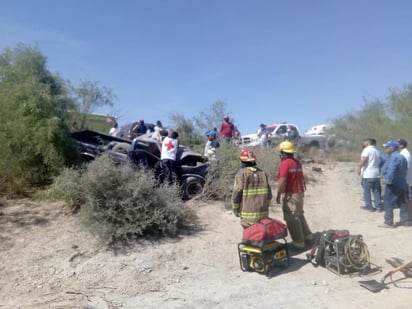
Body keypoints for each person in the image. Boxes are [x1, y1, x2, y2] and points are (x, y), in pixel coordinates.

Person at [276, 140, 313, 250]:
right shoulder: (297, 162)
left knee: (291, 217)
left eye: (280, 152)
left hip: (291, 194)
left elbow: (282, 180)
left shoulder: (285, 163)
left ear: (283, 152)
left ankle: (298, 243)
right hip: (300, 192)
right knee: (299, 214)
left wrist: (278, 194)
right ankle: (308, 237)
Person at [231, 149, 272, 228]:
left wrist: (235, 209)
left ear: (242, 161)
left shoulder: (241, 174)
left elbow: (236, 194)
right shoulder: (263, 173)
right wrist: (267, 205)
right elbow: (269, 194)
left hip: (248, 217)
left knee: (250, 236)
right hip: (263, 214)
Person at [379, 140, 409, 228]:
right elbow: (405, 169)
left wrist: (388, 181)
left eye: (387, 147)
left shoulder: (394, 157)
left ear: (392, 148)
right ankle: (405, 221)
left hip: (393, 183)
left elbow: (391, 170)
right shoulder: (402, 157)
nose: (385, 149)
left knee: (388, 202)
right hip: (402, 182)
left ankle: (388, 222)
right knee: (402, 202)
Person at [358, 138, 383, 212]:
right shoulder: (377, 150)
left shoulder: (367, 149)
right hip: (376, 173)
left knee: (367, 191)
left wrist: (359, 168)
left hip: (368, 174)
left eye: (364, 142)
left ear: (368, 143)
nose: (363, 143)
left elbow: (364, 160)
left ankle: (369, 206)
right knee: (377, 191)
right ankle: (378, 206)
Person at [398, 138, 412, 224]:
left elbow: (404, 168)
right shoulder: (405, 153)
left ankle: (409, 218)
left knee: (408, 200)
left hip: (407, 181)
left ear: (401, 145)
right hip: (408, 181)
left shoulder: (404, 154)